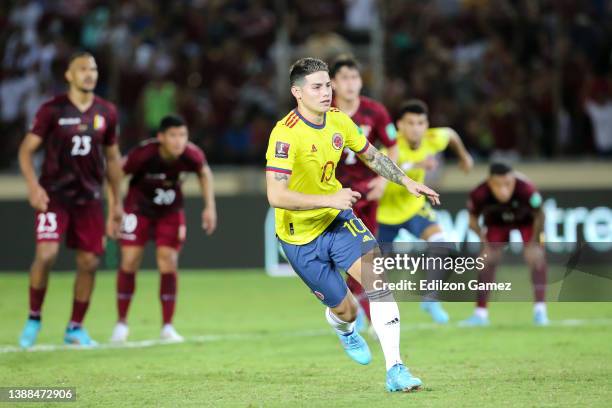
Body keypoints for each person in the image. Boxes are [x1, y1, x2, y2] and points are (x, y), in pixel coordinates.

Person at [265, 57, 440, 392]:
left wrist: (405, 181)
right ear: (297, 93)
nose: (326, 92)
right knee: (347, 310)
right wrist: (328, 199)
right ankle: (344, 329)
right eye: (317, 87)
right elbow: (276, 194)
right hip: (299, 237)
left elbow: (372, 156)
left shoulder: (339, 121)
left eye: (328, 85)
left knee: (378, 280)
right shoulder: (284, 135)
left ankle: (396, 369)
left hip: (338, 220)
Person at [18, 51, 123, 347]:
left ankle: (75, 328)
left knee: (89, 261)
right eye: (82, 69)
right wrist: (32, 186)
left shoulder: (107, 112)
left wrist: (117, 203)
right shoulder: (52, 110)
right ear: (69, 75)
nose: (89, 74)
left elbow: (113, 161)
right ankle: (34, 317)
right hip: (54, 196)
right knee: (47, 254)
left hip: (89, 198)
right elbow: (27, 150)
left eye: (93, 68)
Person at [110, 115, 217, 343]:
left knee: (168, 261)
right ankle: (121, 323)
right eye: (173, 136)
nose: (179, 141)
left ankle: (167, 326)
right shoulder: (144, 154)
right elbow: (116, 173)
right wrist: (115, 207)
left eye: (182, 135)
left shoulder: (191, 154)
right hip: (137, 210)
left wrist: (209, 207)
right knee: (129, 260)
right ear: (161, 137)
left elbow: (204, 173)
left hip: (170, 212)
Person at [376, 99, 473, 323]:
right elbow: (384, 175)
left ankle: (431, 299)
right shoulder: (390, 147)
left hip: (413, 208)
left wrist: (464, 156)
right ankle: (361, 310)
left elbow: (450, 134)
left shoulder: (432, 139)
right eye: (410, 123)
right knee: (373, 270)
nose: (416, 128)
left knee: (441, 243)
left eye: (421, 122)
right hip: (384, 214)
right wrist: (418, 166)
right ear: (399, 125)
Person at [331, 55, 398, 331]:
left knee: (365, 257)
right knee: (345, 260)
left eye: (354, 77)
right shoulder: (323, 113)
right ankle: (350, 312)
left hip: (367, 196)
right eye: (344, 78)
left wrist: (384, 181)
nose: (350, 84)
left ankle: (359, 316)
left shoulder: (376, 111)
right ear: (333, 83)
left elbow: (393, 145)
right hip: (334, 197)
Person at [461, 162, 548, 326]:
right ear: (489, 182)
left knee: (537, 258)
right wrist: (484, 241)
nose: (503, 190)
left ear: (514, 180)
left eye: (508, 184)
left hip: (526, 222)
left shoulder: (526, 189)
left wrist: (533, 243)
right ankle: (480, 314)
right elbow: (472, 221)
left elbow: (540, 214)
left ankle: (540, 312)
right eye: (498, 185)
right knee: (485, 260)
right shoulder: (479, 193)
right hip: (496, 224)